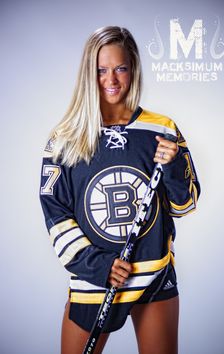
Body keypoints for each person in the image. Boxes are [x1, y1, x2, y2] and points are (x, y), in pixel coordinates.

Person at [39, 26, 200, 354]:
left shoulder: (161, 128)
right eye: (101, 70)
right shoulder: (64, 138)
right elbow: (56, 216)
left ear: (134, 69)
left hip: (153, 277)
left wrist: (172, 167)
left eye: (120, 68)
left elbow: (184, 205)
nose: (110, 79)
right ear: (89, 73)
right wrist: (98, 265)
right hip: (94, 282)